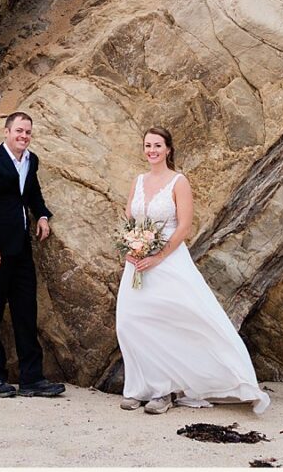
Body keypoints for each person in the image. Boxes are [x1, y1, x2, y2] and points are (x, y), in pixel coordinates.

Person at [115, 127, 270, 415]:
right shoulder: (138, 181)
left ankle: (163, 392)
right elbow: (129, 218)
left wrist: (157, 256)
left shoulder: (178, 181)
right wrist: (130, 247)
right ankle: (138, 388)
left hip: (168, 261)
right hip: (137, 262)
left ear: (168, 149)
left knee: (167, 323)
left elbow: (184, 226)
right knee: (130, 322)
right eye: (148, 145)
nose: (152, 150)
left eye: (157, 145)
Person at [0, 111, 64, 398]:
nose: (23, 136)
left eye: (27, 132)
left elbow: (32, 192)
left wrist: (43, 216)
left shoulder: (30, 160)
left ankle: (31, 379)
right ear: (7, 132)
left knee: (26, 312)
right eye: (19, 131)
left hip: (21, 249)